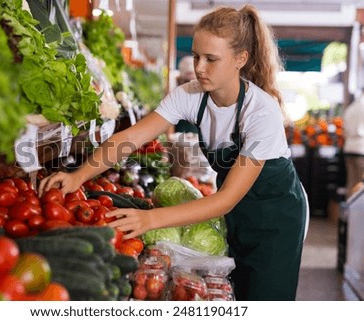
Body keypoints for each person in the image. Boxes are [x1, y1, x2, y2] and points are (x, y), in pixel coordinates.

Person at [39, 4, 308, 301]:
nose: (199, 67)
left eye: (211, 59)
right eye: (196, 56)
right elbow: (130, 138)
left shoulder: (261, 112)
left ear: (240, 59)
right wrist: (79, 176)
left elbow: (225, 199)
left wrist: (150, 220)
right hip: (238, 213)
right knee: (236, 293)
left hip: (276, 219)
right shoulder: (192, 95)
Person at [343, 91, 364, 199]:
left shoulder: (351, 108)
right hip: (361, 149)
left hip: (349, 149)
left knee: (351, 183)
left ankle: (348, 213)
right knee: (361, 185)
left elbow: (344, 130)